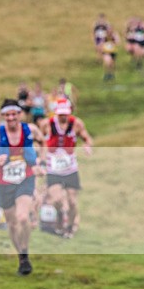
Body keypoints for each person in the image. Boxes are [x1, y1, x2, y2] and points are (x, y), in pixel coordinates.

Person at [0, 99, 46, 275]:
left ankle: (25, 250)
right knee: (12, 223)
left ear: (19, 114)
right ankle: (22, 256)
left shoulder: (30, 130)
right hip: (5, 182)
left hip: (26, 178)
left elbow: (44, 142)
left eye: (14, 114)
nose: (10, 118)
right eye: (7, 115)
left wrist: (41, 162)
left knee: (23, 217)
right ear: (3, 116)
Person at [40, 97, 93, 239]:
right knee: (56, 199)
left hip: (70, 168)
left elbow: (87, 138)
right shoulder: (47, 124)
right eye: (60, 114)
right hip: (53, 168)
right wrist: (40, 157)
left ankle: (69, 228)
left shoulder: (76, 124)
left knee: (72, 202)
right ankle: (59, 220)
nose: (63, 116)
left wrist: (87, 146)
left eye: (65, 113)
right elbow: (39, 140)